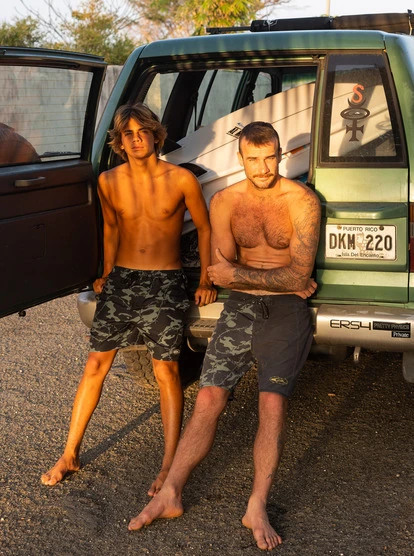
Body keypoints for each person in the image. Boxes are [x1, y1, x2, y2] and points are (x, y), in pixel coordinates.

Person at [128, 121, 321, 551]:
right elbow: (221, 272)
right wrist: (281, 278)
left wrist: (252, 275)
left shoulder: (301, 201)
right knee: (209, 398)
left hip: (285, 313)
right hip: (240, 308)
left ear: (281, 155)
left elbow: (295, 274)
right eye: (253, 159)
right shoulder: (226, 201)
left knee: (272, 404)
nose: (262, 167)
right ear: (241, 159)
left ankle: (257, 505)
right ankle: (170, 493)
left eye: (269, 157)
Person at [41, 103, 217, 496]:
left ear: (156, 135)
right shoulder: (108, 181)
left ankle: (169, 464)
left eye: (143, 132)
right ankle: (69, 453)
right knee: (95, 365)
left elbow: (205, 228)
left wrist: (206, 277)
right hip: (121, 281)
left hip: (164, 283)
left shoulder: (181, 179)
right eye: (128, 134)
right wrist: (105, 272)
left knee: (165, 371)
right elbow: (111, 228)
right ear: (119, 142)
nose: (136, 140)